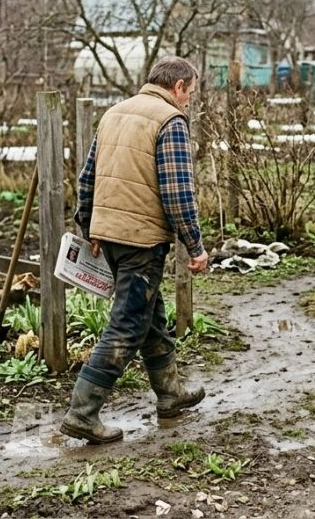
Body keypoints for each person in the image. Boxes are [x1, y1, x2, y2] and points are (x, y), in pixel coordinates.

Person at [60, 56, 210, 444]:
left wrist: (89, 225)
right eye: (190, 92)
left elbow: (87, 177)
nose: (190, 100)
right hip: (141, 239)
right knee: (127, 323)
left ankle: (170, 393)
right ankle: (83, 412)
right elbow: (178, 193)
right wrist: (195, 245)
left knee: (150, 315)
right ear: (177, 87)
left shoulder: (115, 112)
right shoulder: (169, 121)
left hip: (110, 236)